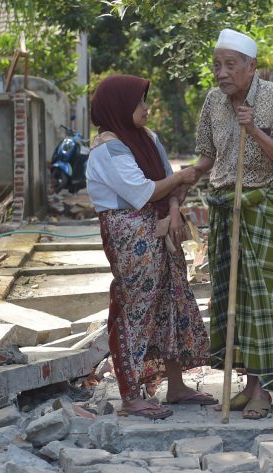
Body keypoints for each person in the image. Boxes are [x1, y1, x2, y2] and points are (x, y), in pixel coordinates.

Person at [193, 29, 273, 419]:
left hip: (262, 205)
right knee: (233, 297)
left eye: (230, 65)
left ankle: (265, 390)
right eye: (217, 65)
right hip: (226, 208)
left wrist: (254, 130)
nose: (222, 73)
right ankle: (247, 384)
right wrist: (176, 185)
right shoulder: (213, 102)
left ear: (251, 66)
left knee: (264, 295)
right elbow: (207, 159)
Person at [86, 74, 216, 420]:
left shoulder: (148, 139)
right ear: (119, 107)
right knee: (136, 308)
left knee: (173, 299)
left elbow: (167, 184)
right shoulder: (108, 149)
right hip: (131, 236)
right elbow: (143, 190)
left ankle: (176, 386)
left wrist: (175, 210)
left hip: (162, 228)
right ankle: (131, 395)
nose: (146, 108)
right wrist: (183, 177)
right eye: (139, 102)